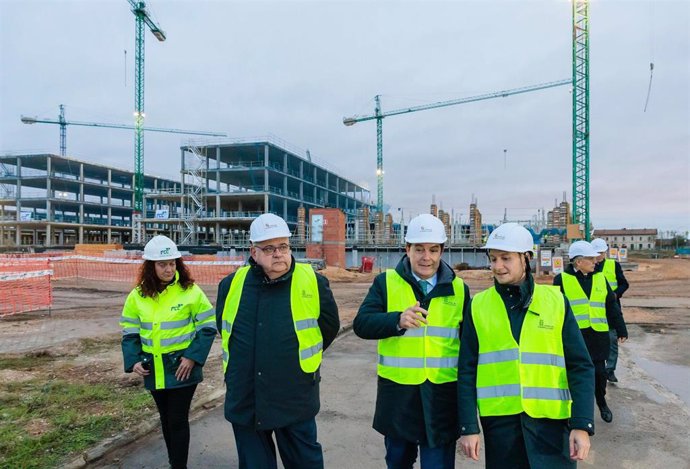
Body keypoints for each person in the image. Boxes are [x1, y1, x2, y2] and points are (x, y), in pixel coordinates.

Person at [458, 223, 595, 469]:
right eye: (493, 258)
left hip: (552, 426)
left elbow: (580, 366)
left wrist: (581, 424)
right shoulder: (478, 305)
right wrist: (469, 426)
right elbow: (467, 369)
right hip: (501, 427)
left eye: (506, 258)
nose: (497, 266)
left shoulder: (555, 301)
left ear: (526, 258)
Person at [215, 213, 340, 469]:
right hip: (246, 398)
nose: (278, 254)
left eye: (283, 246)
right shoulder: (231, 286)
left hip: (294, 396)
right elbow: (226, 330)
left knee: (305, 463)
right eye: (269, 248)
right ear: (253, 251)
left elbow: (328, 328)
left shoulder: (313, 282)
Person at [354, 213, 470, 469]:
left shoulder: (459, 289)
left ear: (441, 251)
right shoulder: (386, 283)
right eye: (419, 249)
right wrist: (396, 320)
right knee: (398, 462)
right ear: (407, 249)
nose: (426, 257)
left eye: (432, 250)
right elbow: (361, 324)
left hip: (441, 397)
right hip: (399, 397)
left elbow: (469, 347)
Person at [120, 235, 217, 469]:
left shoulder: (190, 292)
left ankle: (178, 466)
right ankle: (175, 463)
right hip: (153, 369)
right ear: (151, 267)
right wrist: (133, 360)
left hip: (182, 368)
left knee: (177, 419)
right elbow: (130, 332)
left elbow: (208, 327)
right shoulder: (137, 296)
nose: (168, 268)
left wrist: (192, 357)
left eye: (172, 263)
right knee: (166, 419)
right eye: (163, 264)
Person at [553, 240, 628, 424]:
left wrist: (621, 327)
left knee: (599, 375)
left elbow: (611, 306)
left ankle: (602, 403)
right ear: (578, 262)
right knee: (574, 376)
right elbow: (554, 310)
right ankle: (573, 412)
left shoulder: (600, 278)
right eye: (591, 259)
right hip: (574, 338)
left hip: (598, 337)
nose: (595, 262)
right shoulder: (561, 279)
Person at [591, 237, 629, 383]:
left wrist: (615, 294)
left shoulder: (614, 265)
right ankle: (597, 367)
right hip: (595, 310)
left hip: (611, 307)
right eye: (596, 253)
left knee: (612, 339)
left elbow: (624, 284)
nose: (599, 256)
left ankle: (610, 370)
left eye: (601, 253)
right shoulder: (590, 266)